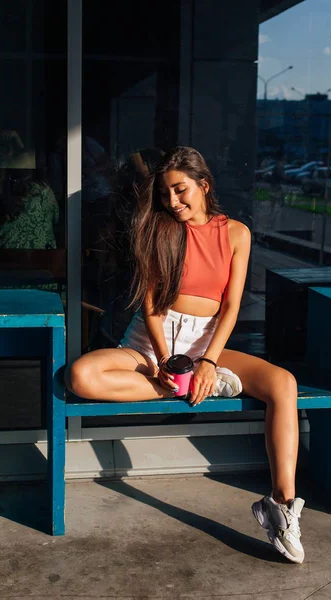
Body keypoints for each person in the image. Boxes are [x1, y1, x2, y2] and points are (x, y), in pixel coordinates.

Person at [66, 146, 305, 564]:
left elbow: (231, 307)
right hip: (151, 342)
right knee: (81, 376)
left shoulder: (237, 234)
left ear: (204, 185)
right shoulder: (160, 231)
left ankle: (281, 506)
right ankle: (186, 388)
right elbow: (153, 307)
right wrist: (165, 364)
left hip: (206, 345)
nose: (172, 202)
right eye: (165, 195)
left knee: (283, 383)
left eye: (180, 191)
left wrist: (209, 362)